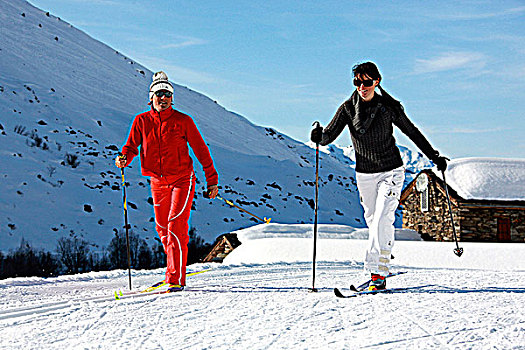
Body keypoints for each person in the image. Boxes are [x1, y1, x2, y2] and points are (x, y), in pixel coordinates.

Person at [310, 62, 447, 291]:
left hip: (391, 170)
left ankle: (376, 273)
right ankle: (383, 261)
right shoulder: (347, 108)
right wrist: (317, 136)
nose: (361, 87)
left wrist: (433, 155)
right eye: (357, 82)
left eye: (366, 82)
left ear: (376, 82)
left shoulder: (387, 107)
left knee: (383, 218)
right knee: (375, 223)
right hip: (365, 174)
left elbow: (411, 131)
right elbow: (328, 137)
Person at [116, 71, 218, 292]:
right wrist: (124, 158)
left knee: (175, 226)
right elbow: (132, 146)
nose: (163, 99)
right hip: (157, 182)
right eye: (159, 94)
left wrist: (212, 180)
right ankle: (174, 269)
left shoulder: (183, 121)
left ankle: (176, 278)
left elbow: (201, 150)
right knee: (162, 229)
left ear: (172, 98)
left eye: (168, 95)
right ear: (151, 97)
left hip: (183, 179)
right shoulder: (141, 121)